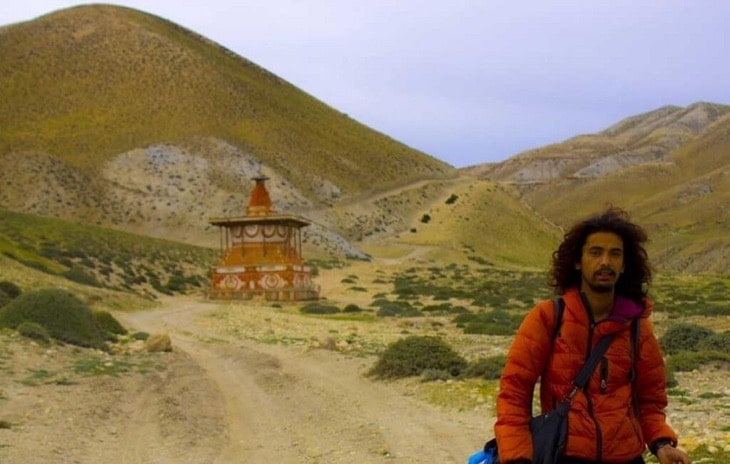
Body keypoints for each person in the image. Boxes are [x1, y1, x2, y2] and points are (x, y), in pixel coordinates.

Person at [494, 207, 691, 464]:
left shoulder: (636, 327)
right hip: (565, 454)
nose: (605, 262)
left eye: (615, 254)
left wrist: (662, 443)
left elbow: (650, 400)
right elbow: (514, 393)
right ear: (578, 261)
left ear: (624, 265)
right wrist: (517, 457)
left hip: (627, 457)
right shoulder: (549, 317)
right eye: (595, 252)